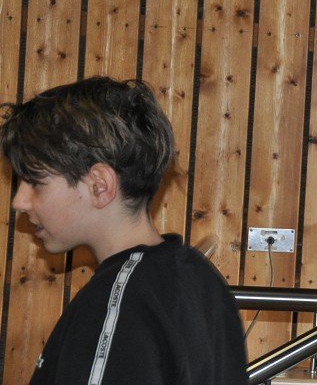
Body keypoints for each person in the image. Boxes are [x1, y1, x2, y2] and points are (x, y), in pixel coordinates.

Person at [1, 77, 247, 385]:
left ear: (99, 186)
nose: (19, 202)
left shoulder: (119, 299)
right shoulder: (198, 276)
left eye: (35, 183)